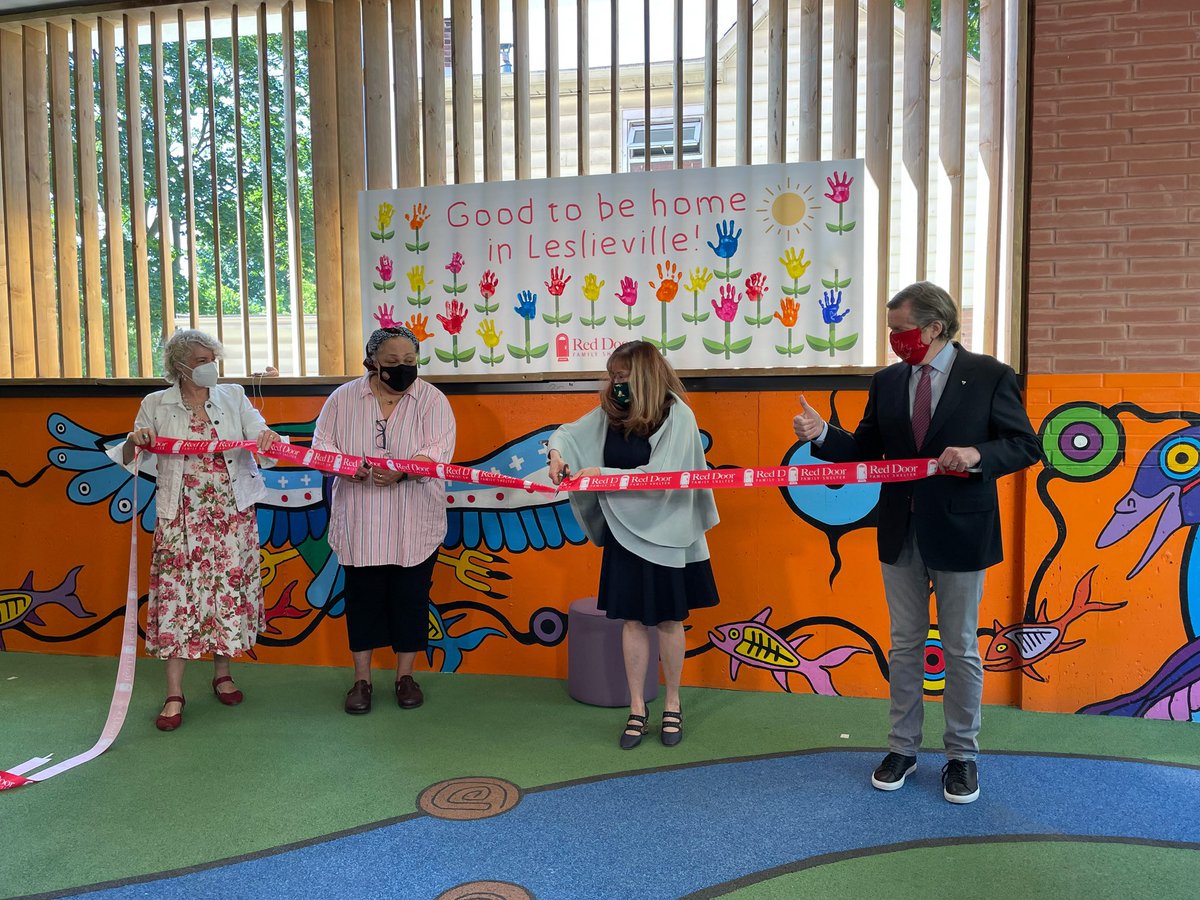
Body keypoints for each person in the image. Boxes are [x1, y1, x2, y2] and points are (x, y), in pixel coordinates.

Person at [793, 282, 1040, 803]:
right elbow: (863, 449)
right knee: (904, 645)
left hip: (962, 530)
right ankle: (902, 747)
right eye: (890, 331)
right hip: (900, 530)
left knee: (960, 649)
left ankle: (961, 757)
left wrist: (976, 457)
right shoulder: (886, 382)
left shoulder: (991, 375)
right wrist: (820, 435)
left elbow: (1024, 446)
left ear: (934, 327)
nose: (893, 340)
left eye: (900, 330)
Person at [548, 340, 720, 749]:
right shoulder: (611, 412)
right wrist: (556, 454)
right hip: (625, 533)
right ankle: (637, 708)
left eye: (622, 377)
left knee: (668, 620)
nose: (615, 384)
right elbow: (570, 434)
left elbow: (660, 476)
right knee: (630, 620)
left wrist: (599, 474)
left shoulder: (676, 414)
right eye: (612, 376)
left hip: (667, 532)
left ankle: (673, 703)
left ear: (642, 375)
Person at [111, 330, 279, 732]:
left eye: (212, 357)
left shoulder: (234, 395)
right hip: (180, 515)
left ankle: (223, 673)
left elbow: (260, 434)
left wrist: (268, 439)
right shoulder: (155, 403)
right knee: (177, 598)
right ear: (180, 366)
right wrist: (137, 440)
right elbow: (132, 456)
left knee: (225, 593)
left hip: (230, 515)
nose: (210, 366)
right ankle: (174, 692)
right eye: (202, 359)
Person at [313, 326, 456, 715]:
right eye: (392, 362)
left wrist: (405, 470)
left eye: (410, 361)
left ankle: (405, 677)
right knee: (363, 600)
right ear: (372, 361)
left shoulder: (432, 399)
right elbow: (321, 447)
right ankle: (362, 680)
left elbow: (439, 450)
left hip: (415, 520)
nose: (403, 368)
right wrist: (346, 467)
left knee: (411, 599)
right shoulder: (342, 399)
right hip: (361, 520)